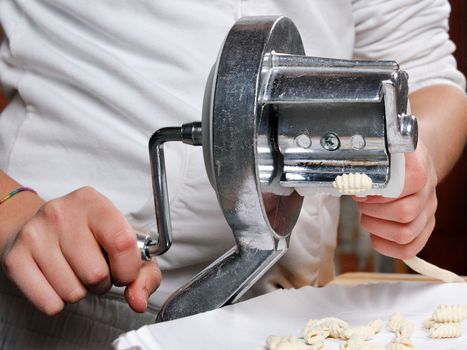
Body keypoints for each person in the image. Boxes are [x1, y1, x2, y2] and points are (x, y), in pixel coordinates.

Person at [0, 0, 466, 348]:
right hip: (66, 299)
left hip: (278, 309)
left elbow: (428, 75)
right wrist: (13, 209)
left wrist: (415, 157)